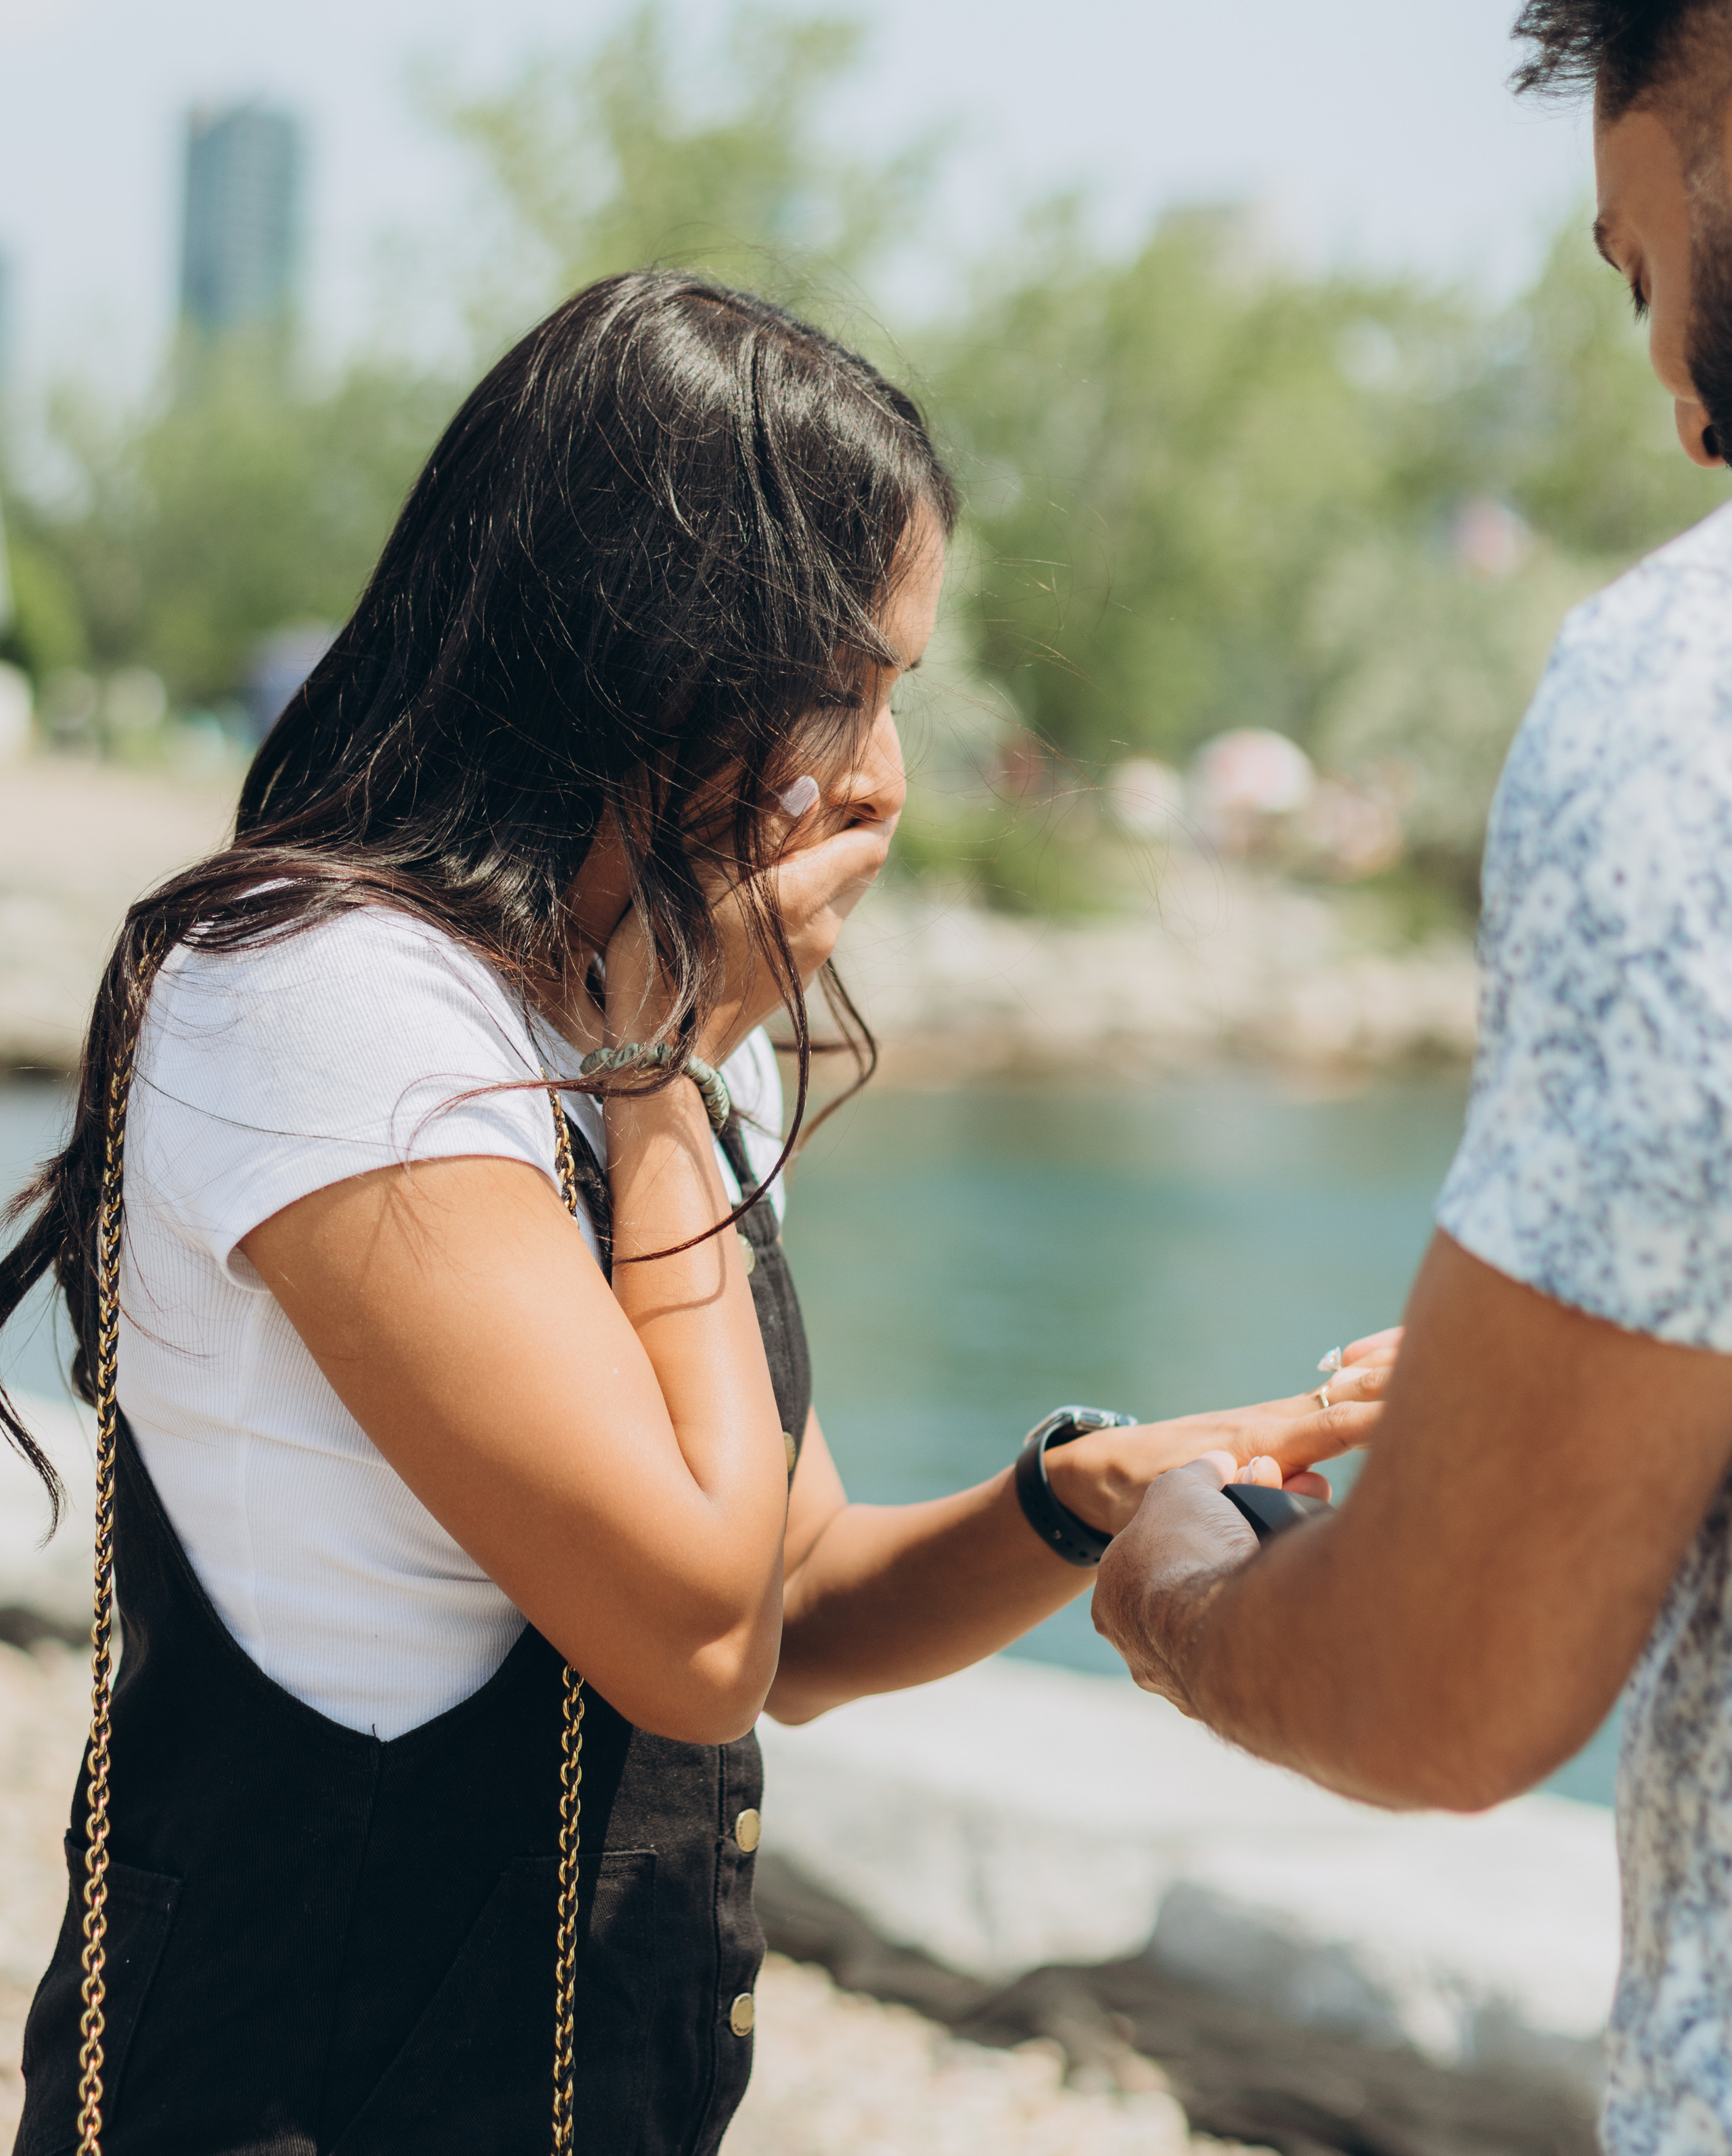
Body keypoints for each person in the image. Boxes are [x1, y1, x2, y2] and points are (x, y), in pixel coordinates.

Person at [0, 271, 1383, 2155]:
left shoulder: (657, 1013)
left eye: (901, 696)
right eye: (848, 691)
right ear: (650, 652)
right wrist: (658, 1070)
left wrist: (1088, 1493)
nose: (884, 779)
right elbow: (693, 1639)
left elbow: (791, 1602)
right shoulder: (332, 1001)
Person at [1091, 0, 1732, 2155]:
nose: (1675, 397)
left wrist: (1184, 1579)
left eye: (1640, 269)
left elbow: (1447, 1691)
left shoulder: (1688, 702)